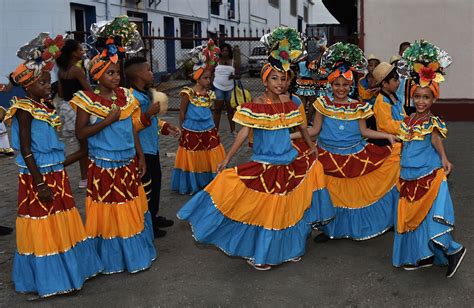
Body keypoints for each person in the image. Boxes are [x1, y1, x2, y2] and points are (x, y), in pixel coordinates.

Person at [178, 27, 334, 271]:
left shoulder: (291, 103)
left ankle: (292, 248)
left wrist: (312, 146)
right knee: (267, 210)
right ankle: (263, 253)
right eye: (274, 78)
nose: (280, 83)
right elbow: (243, 132)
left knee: (288, 208)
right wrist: (228, 158)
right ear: (264, 79)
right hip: (265, 164)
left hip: (289, 163)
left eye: (283, 78)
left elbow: (301, 125)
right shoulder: (256, 105)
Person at [5, 33, 103, 297]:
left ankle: (70, 270)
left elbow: (55, 154)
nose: (49, 86)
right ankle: (51, 278)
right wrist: (38, 182)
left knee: (62, 220)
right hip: (38, 178)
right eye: (43, 83)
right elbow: (26, 149)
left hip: (56, 175)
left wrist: (81, 153)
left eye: (48, 81)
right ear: (29, 86)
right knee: (43, 223)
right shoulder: (24, 108)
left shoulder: (44, 107)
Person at [70, 19, 156, 274]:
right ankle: (111, 260)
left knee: (129, 208)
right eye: (110, 72)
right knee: (109, 212)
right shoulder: (87, 100)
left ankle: (134, 255)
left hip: (127, 163)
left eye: (117, 72)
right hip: (104, 167)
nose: (116, 77)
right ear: (96, 75)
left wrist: (140, 156)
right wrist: (107, 121)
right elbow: (81, 132)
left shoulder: (126, 97)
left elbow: (131, 127)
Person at [293, 42, 401, 242]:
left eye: (345, 85)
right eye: (337, 84)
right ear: (330, 85)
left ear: (351, 86)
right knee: (332, 194)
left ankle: (368, 222)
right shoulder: (322, 104)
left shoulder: (358, 106)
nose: (341, 89)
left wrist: (386, 136)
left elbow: (364, 130)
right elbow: (314, 130)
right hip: (328, 155)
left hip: (355, 154)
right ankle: (330, 228)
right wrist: (290, 136)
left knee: (354, 193)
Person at [392, 40, 466, 278]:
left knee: (428, 215)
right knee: (415, 216)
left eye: (426, 97)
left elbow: (435, 141)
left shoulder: (431, 121)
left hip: (428, 173)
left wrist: (444, 159)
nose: (421, 101)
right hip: (408, 173)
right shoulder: (409, 119)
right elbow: (405, 144)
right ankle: (422, 255)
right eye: (418, 97)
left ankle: (453, 249)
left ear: (433, 100)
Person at [124, 56, 180, 238]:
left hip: (152, 148)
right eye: (148, 70)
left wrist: (166, 127)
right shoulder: (132, 98)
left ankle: (153, 217)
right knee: (146, 189)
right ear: (139, 74)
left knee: (156, 185)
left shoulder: (145, 94)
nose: (151, 73)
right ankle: (146, 223)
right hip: (141, 152)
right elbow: (130, 126)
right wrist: (147, 114)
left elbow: (153, 121)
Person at [171, 40, 226, 195]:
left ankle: (209, 181)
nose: (209, 81)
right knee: (193, 157)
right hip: (191, 130)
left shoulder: (209, 94)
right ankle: (193, 183)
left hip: (208, 130)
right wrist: (181, 129)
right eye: (205, 78)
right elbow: (182, 112)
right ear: (197, 77)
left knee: (209, 155)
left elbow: (212, 112)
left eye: (210, 78)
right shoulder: (188, 93)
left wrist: (215, 129)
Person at [56, 39, 92, 188]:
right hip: (80, 109)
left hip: (67, 109)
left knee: (83, 145)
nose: (82, 52)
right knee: (85, 147)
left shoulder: (61, 71)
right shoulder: (77, 70)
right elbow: (88, 90)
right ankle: (58, 167)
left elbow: (61, 92)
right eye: (80, 50)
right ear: (72, 53)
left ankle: (85, 178)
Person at [371, 62, 406, 145]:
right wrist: (404, 126)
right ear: (384, 84)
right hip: (388, 143)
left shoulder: (395, 97)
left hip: (400, 136)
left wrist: (409, 121)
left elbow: (403, 114)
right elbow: (386, 125)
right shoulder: (382, 101)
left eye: (398, 79)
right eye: (395, 80)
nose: (398, 83)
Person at [212, 42, 239, 135]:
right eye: (223, 50)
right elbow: (211, 72)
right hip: (218, 87)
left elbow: (238, 75)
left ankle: (233, 130)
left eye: (226, 50)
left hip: (230, 88)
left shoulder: (233, 61)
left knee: (230, 110)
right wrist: (210, 85)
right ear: (220, 51)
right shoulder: (216, 60)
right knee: (217, 109)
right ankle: (215, 131)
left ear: (229, 51)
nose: (225, 52)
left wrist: (233, 76)